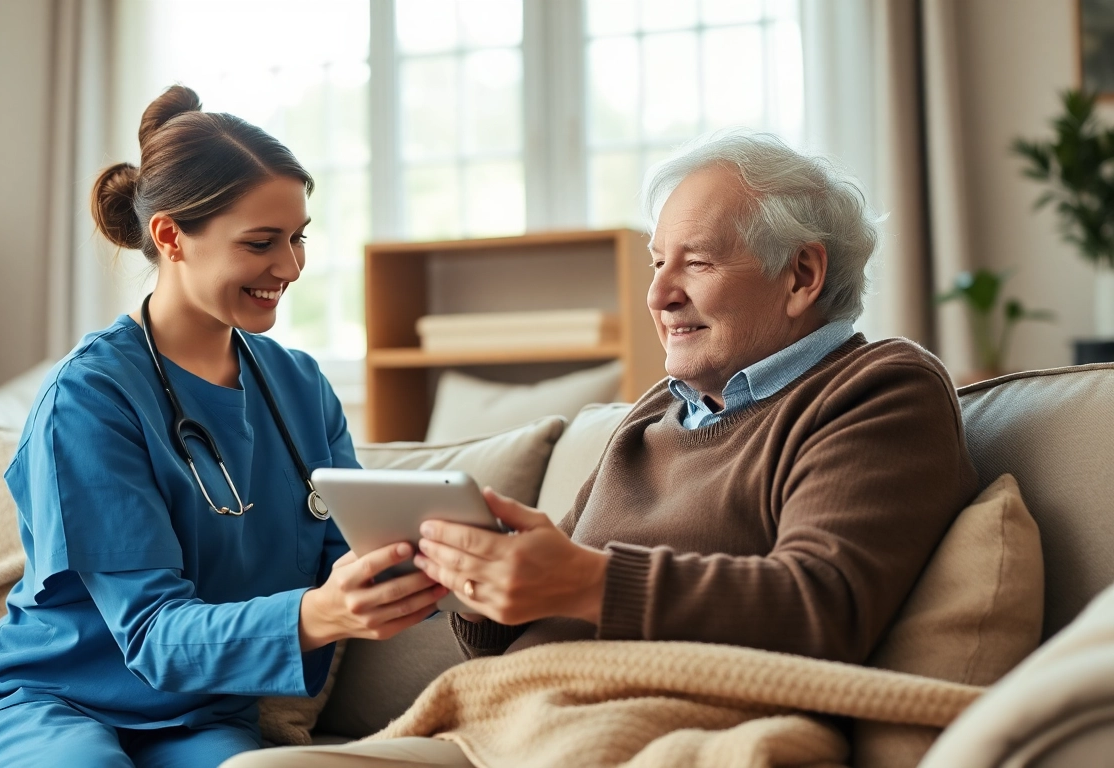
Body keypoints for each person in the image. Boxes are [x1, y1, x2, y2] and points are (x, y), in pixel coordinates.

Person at [224, 132, 978, 767]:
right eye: (658, 262)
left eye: (698, 263)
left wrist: (583, 581)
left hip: (647, 723)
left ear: (802, 275)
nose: (658, 295)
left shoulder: (878, 389)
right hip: (516, 714)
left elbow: (824, 604)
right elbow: (514, 634)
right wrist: (481, 583)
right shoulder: (654, 415)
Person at [0, 85, 448, 768]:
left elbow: (346, 556)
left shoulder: (300, 388)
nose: (292, 267)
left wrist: (431, 565)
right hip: (55, 697)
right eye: (262, 243)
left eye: (298, 239)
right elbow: (148, 633)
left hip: (203, 706)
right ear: (171, 236)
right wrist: (318, 614)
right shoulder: (89, 398)